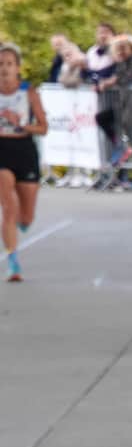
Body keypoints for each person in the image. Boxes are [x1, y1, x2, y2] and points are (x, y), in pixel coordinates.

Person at [0, 43, 47, 282]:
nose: (4, 69)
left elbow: (43, 128)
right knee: (8, 206)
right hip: (1, 150)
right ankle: (13, 261)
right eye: (0, 64)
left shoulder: (29, 92)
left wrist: (21, 124)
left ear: (17, 67)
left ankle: (23, 222)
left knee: (26, 217)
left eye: (9, 64)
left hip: (24, 149)